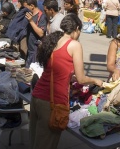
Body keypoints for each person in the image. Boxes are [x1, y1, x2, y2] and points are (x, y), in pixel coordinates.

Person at [29, 14, 104, 149]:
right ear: (76, 28)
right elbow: (81, 78)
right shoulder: (74, 45)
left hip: (36, 97)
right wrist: (95, 80)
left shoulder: (53, 40)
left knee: (35, 142)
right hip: (52, 102)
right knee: (46, 144)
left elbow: (55, 70)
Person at [23, 0, 47, 67]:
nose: (25, 9)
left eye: (26, 7)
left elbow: (41, 33)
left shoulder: (42, 16)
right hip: (29, 50)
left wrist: (31, 21)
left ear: (32, 6)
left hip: (36, 51)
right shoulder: (29, 14)